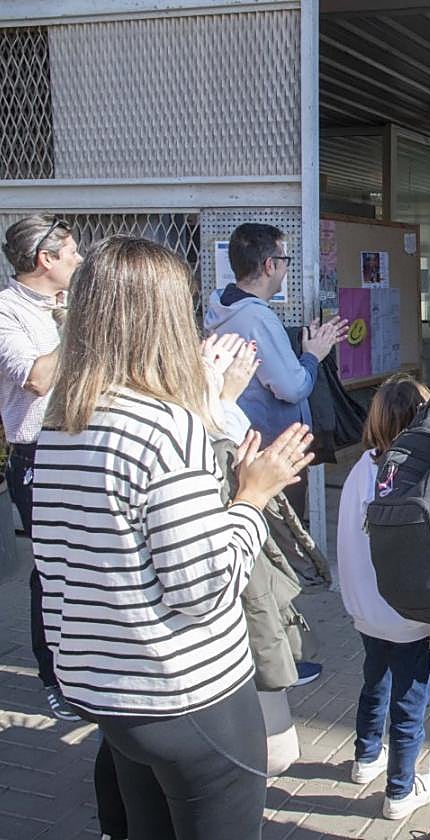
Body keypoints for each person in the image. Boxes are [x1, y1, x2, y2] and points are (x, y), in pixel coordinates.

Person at [32, 235, 313, 839]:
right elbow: (204, 587)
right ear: (163, 317)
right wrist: (252, 497)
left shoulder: (61, 421)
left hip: (103, 690)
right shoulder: (166, 427)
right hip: (185, 691)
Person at [204, 223, 346, 687]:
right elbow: (291, 385)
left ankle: (263, 651)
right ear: (269, 265)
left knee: (257, 561)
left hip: (238, 451)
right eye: (284, 261)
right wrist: (314, 354)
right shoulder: (257, 318)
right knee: (275, 561)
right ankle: (278, 659)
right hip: (269, 458)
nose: (285, 270)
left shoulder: (217, 307)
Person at [338, 375, 430, 822]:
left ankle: (365, 756)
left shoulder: (362, 468)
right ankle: (400, 788)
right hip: (408, 614)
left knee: (373, 681)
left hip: (363, 607)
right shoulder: (416, 474)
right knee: (409, 698)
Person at [0, 215, 83, 721]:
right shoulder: (6, 311)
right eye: (70, 251)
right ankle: (53, 674)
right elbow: (34, 378)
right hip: (37, 455)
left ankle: (88, 665)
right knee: (51, 570)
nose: (78, 258)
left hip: (82, 446)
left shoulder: (65, 305)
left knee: (86, 564)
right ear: (44, 259)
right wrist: (72, 324)